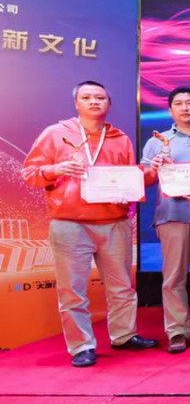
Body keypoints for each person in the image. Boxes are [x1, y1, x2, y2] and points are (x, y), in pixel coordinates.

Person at [22, 80, 158, 367]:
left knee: (122, 287)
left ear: (109, 104)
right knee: (73, 290)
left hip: (115, 222)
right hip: (70, 223)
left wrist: (151, 173)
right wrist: (55, 169)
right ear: (76, 103)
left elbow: (130, 180)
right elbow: (30, 174)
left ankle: (124, 335)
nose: (94, 102)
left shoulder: (120, 138)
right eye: (87, 97)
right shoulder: (55, 134)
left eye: (100, 98)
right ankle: (81, 345)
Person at [141, 87, 190, 354]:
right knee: (174, 278)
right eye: (179, 103)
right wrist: (153, 169)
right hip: (172, 216)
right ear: (170, 110)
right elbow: (144, 180)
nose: (185, 108)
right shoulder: (158, 141)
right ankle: (177, 331)